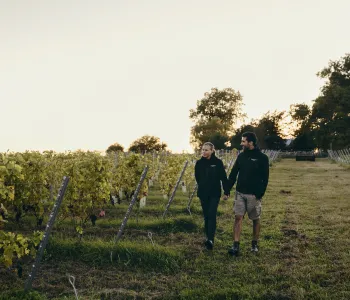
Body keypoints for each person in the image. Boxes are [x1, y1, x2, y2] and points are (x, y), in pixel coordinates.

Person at [225, 132, 269, 256]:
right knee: (238, 217)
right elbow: (233, 174)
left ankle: (254, 244)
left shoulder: (262, 158)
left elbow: (265, 178)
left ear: (251, 142)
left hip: (254, 195)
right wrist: (227, 190)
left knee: (255, 219)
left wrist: (259, 194)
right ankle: (235, 246)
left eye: (244, 141)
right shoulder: (241, 157)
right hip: (240, 193)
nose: (242, 143)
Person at [195, 142, 230, 250]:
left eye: (206, 150)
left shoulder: (218, 162)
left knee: (212, 213)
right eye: (203, 150)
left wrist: (226, 191)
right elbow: (198, 178)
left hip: (215, 193)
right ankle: (208, 237)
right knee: (206, 216)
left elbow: (223, 178)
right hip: (203, 193)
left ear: (212, 150)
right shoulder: (199, 163)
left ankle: (211, 239)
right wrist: (203, 185)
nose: (204, 152)